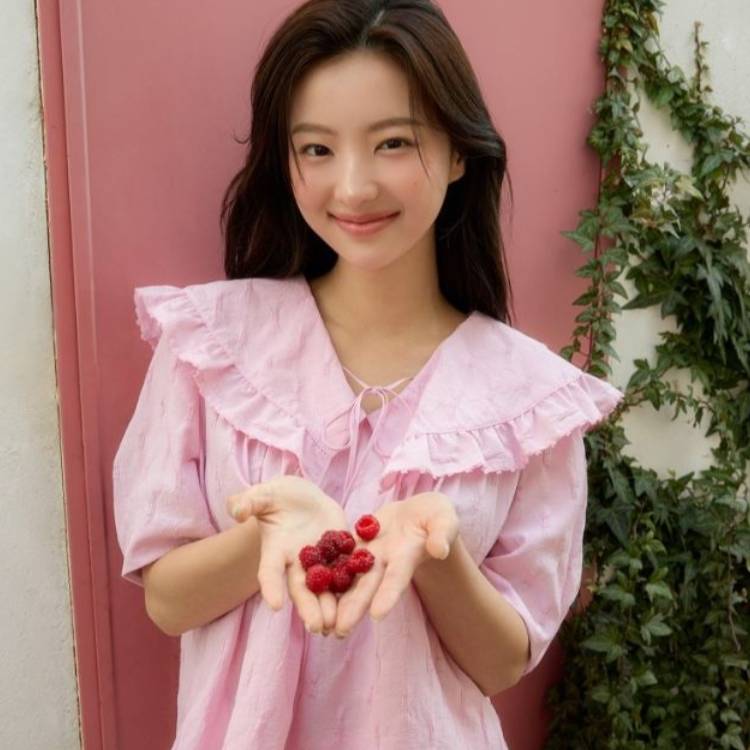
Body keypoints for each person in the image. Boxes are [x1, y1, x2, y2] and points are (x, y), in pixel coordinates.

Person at [112, 1, 625, 748]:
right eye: (317, 149)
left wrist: (437, 555)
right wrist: (265, 538)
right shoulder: (210, 344)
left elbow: (501, 662)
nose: (352, 188)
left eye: (392, 143)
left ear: (459, 152)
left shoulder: (530, 401)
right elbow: (167, 601)